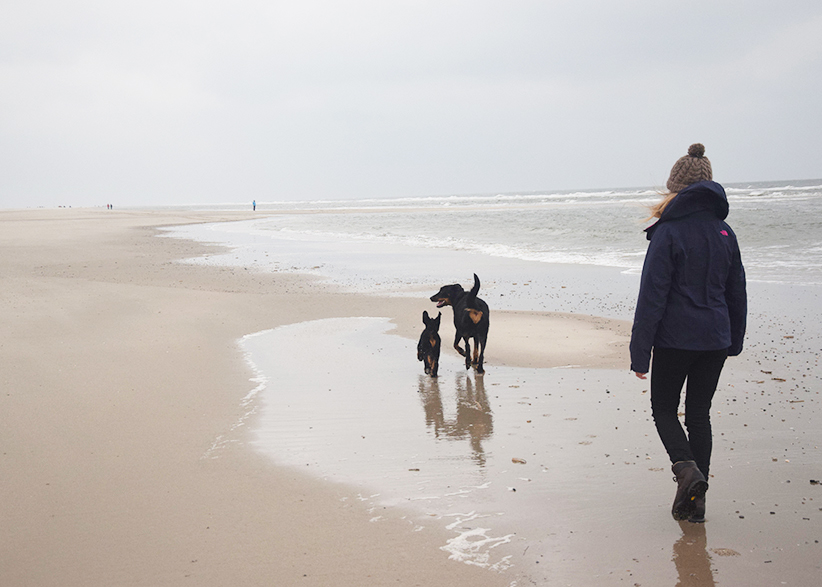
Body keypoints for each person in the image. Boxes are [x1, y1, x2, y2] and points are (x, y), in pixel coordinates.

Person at [630, 143, 747, 523]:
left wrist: (640, 352)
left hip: (675, 339)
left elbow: (652, 297)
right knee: (699, 414)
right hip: (715, 339)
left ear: (674, 189)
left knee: (664, 409)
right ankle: (696, 504)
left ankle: (685, 470)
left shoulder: (667, 232)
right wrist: (734, 340)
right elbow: (737, 292)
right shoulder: (725, 232)